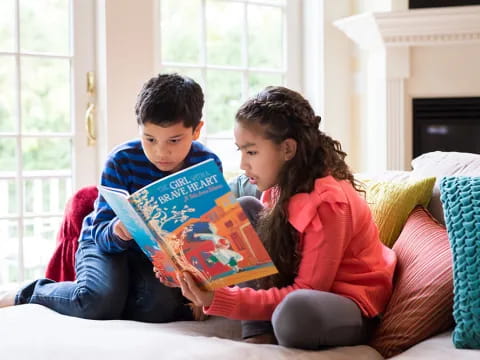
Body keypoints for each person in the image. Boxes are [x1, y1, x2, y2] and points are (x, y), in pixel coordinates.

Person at [174, 86, 397, 349]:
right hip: (302, 293)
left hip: (347, 305)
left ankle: (267, 329)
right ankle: (258, 333)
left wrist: (221, 299)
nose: (244, 164)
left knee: (294, 312)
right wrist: (185, 267)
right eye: (241, 152)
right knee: (244, 210)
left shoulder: (328, 204)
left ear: (287, 149)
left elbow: (308, 290)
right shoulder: (277, 187)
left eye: (252, 152)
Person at [0, 73, 222, 323]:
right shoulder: (122, 161)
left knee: (158, 309)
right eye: (149, 139)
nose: (161, 151)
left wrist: (202, 287)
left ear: (196, 131)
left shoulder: (207, 165)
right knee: (96, 304)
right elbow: (101, 234)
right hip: (104, 243)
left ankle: (122, 294)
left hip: (154, 257)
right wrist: (118, 230)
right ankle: (25, 293)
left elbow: (204, 235)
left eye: (174, 140)